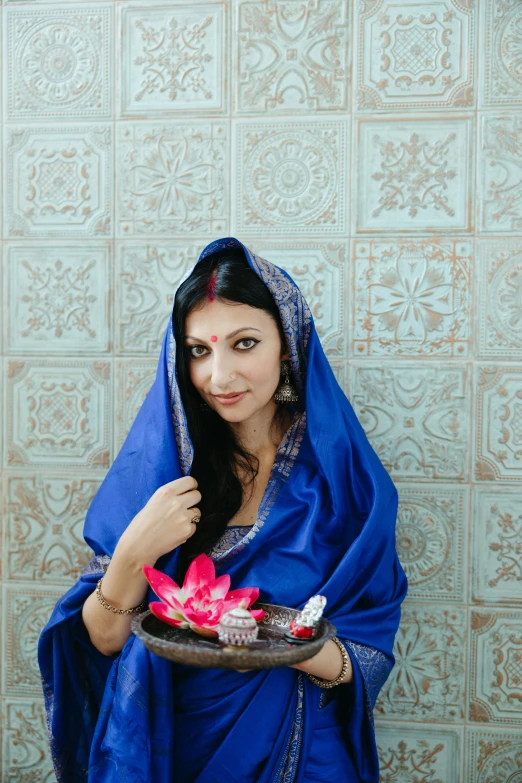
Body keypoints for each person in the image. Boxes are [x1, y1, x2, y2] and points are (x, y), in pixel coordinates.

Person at [38, 237, 408, 783]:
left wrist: (273, 646)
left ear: (288, 344)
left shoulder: (343, 484)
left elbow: (366, 653)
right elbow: (103, 639)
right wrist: (136, 549)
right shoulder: (162, 471)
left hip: (299, 750)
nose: (219, 377)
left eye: (244, 343)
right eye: (198, 350)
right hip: (165, 742)